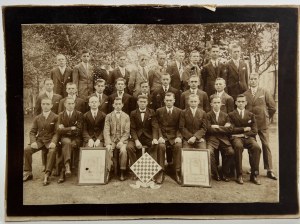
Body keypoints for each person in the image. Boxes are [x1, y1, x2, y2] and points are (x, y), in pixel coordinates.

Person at [243, 73, 277, 180]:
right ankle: (253, 167)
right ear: (249, 80)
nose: (253, 81)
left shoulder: (264, 91)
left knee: (265, 144)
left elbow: (272, 107)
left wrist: (266, 116)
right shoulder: (245, 93)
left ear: (258, 80)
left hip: (262, 123)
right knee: (252, 146)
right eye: (251, 79)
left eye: (255, 79)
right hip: (250, 124)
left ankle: (269, 169)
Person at [23, 97, 58, 186]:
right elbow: (32, 132)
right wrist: (33, 141)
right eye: (43, 104)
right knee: (27, 150)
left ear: (51, 105)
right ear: (41, 105)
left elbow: (56, 133)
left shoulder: (56, 117)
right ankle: (28, 172)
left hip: (50, 141)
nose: (45, 106)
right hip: (40, 141)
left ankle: (47, 174)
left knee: (52, 151)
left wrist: (54, 142)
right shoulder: (37, 118)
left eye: (47, 104)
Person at [228, 94, 262, 185]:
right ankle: (239, 175)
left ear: (246, 103)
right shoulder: (231, 115)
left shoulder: (251, 115)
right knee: (238, 147)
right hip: (236, 138)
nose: (241, 103)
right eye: (239, 101)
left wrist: (242, 134)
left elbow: (254, 130)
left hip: (248, 137)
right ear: (235, 103)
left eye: (243, 101)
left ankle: (254, 175)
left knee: (257, 148)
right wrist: (243, 129)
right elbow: (230, 129)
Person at [127, 95, 159, 180]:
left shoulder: (151, 112)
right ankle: (135, 171)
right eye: (140, 102)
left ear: (147, 102)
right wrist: (136, 140)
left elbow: (155, 126)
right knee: (129, 147)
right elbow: (132, 129)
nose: (142, 103)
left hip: (148, 137)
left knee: (155, 145)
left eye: (144, 102)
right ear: (137, 102)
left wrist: (155, 138)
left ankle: (151, 171)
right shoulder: (133, 113)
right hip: (137, 136)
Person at [156, 92, 182, 185]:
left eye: (170, 100)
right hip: (164, 136)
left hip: (174, 136)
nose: (169, 102)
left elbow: (180, 127)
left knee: (178, 146)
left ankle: (177, 171)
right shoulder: (159, 111)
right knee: (161, 146)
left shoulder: (179, 111)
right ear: (164, 101)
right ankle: (161, 171)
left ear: (174, 101)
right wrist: (160, 137)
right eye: (167, 100)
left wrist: (178, 137)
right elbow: (158, 126)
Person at [206, 95, 234, 182]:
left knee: (231, 152)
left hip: (223, 139)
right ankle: (215, 173)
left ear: (221, 104)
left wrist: (217, 126)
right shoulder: (207, 115)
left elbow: (229, 129)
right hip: (212, 139)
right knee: (209, 152)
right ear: (211, 104)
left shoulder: (226, 115)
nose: (216, 104)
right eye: (215, 103)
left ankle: (224, 172)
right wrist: (223, 128)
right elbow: (208, 128)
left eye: (218, 103)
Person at [56, 97, 83, 183]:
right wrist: (71, 128)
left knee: (69, 144)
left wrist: (65, 129)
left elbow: (79, 130)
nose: (71, 105)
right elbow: (58, 130)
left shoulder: (79, 114)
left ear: (75, 104)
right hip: (64, 138)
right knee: (67, 142)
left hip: (76, 138)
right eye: (69, 104)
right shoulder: (61, 115)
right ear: (65, 104)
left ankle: (63, 170)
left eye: (72, 104)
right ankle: (67, 166)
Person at [104, 97, 130, 181]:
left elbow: (127, 132)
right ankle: (108, 171)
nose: (118, 106)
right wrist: (108, 142)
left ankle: (122, 171)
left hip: (122, 140)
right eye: (116, 104)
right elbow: (106, 130)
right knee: (108, 150)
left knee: (123, 150)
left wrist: (122, 141)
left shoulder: (126, 116)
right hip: (112, 139)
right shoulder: (109, 116)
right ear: (113, 105)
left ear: (122, 105)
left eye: (119, 104)